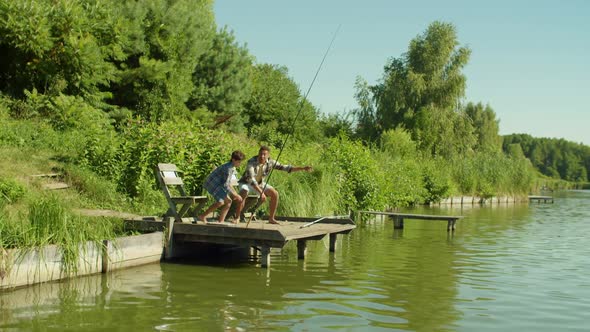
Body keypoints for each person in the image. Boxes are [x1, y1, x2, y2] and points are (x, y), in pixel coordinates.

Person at [235, 145, 312, 224]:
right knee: (244, 191)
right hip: (246, 182)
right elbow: (251, 178)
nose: (262, 156)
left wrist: (302, 168)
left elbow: (286, 168)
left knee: (275, 194)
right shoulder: (251, 161)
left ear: (268, 155)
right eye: (260, 154)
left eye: (264, 154)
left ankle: (271, 218)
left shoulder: (271, 162)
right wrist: (261, 192)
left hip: (260, 183)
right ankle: (237, 217)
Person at [198, 150, 245, 224]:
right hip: (212, 184)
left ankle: (221, 221)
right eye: (239, 162)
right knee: (221, 202)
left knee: (228, 201)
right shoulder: (228, 169)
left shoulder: (232, 167)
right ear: (233, 159)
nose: (240, 163)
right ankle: (202, 216)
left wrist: (235, 193)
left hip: (218, 184)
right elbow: (225, 185)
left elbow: (228, 183)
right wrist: (235, 195)